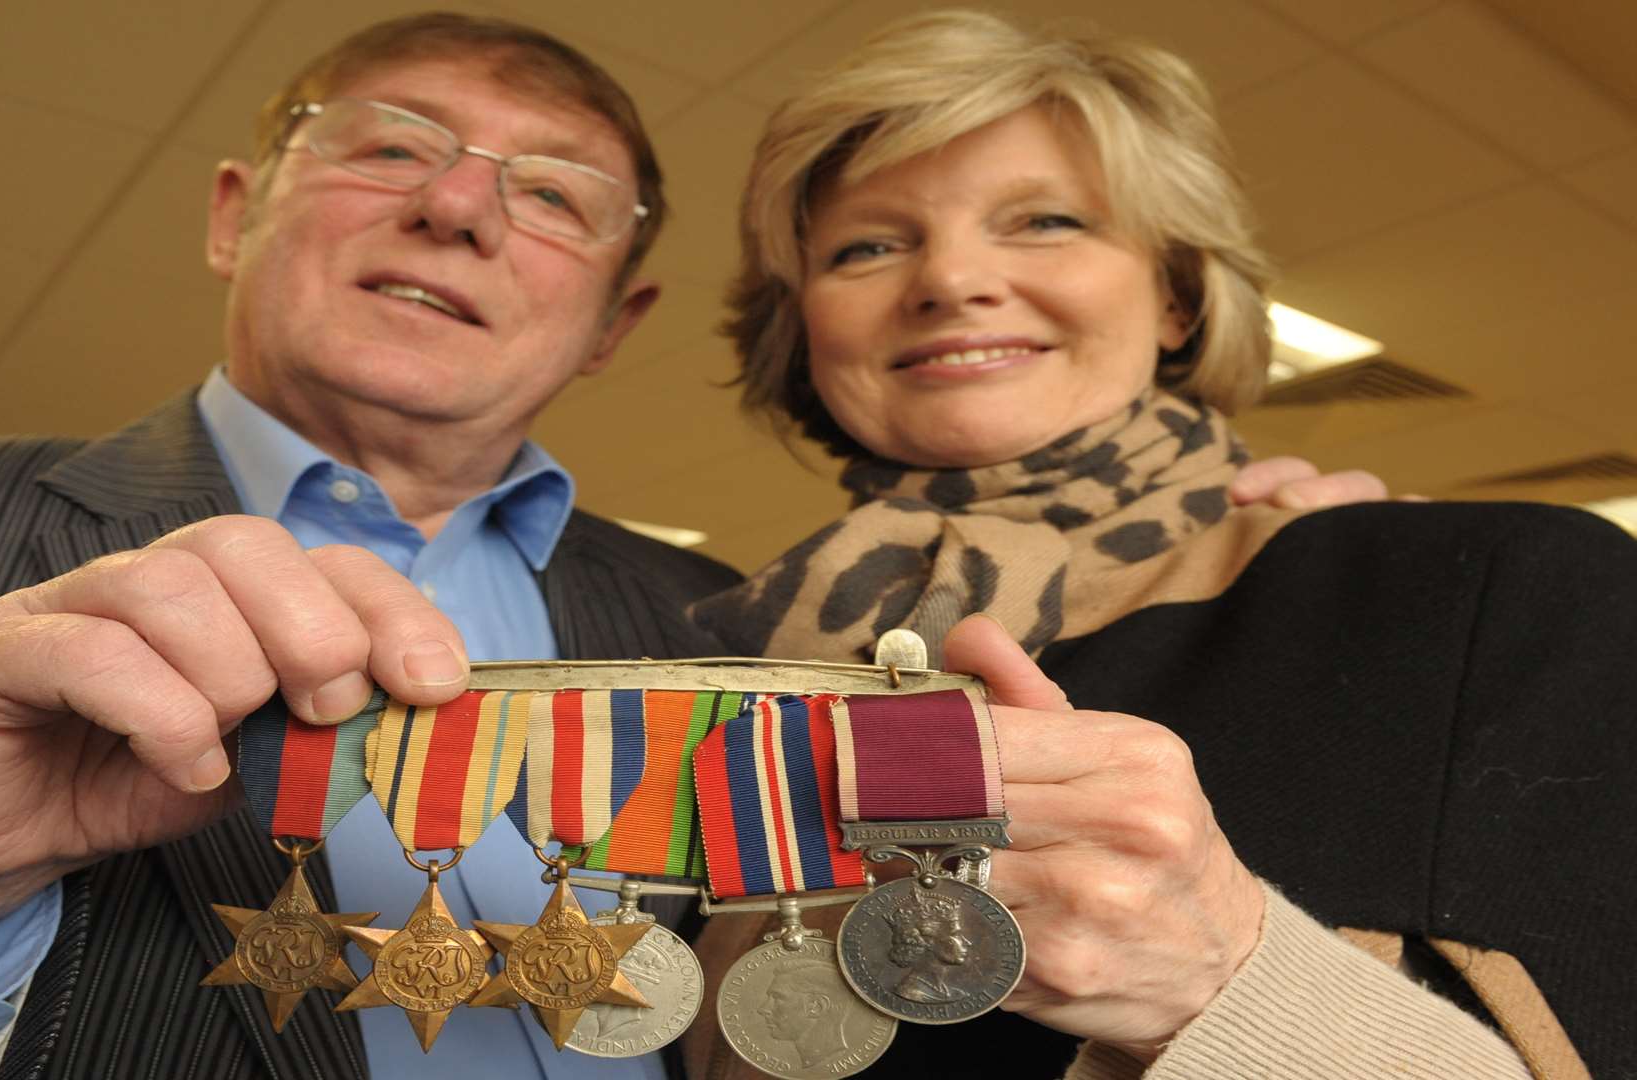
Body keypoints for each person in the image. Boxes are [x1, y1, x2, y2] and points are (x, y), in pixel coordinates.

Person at [0, 11, 1383, 1080]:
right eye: (389, 150)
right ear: (237, 210)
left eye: (556, 195)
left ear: (612, 321)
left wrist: (1322, 576)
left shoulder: (738, 629)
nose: (458, 210)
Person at [685, 9, 1637, 1080]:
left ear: (1178, 298)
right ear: (807, 330)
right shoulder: (720, 657)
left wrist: (1224, 979)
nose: (948, 280)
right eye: (869, 245)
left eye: (1044, 221)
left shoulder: (1495, 597)